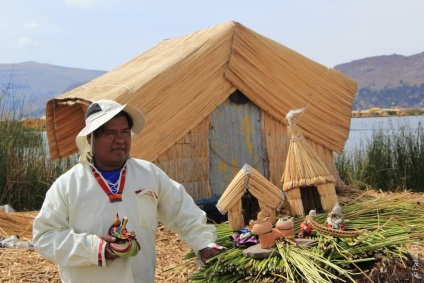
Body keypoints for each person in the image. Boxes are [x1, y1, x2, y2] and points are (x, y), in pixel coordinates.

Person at [32, 99, 223, 283]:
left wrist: (204, 244)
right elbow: (45, 237)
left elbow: (184, 213)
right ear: (91, 138)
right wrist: (94, 248)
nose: (120, 140)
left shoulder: (149, 174)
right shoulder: (68, 184)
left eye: (124, 132)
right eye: (110, 133)